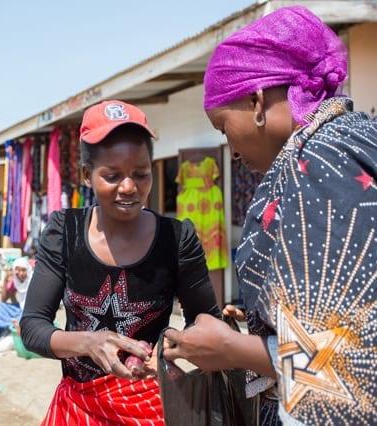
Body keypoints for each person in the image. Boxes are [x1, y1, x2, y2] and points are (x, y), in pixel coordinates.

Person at [161, 6, 377, 425]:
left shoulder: (315, 161)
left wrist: (231, 350)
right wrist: (267, 314)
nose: (234, 152)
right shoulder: (354, 138)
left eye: (224, 129)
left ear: (257, 101)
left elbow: (352, 359)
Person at [20, 100, 220, 424]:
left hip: (152, 408)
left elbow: (207, 320)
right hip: (79, 409)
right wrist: (88, 342)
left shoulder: (177, 238)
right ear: (87, 175)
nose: (129, 188)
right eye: (112, 176)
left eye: (140, 174)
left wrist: (170, 348)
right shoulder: (64, 232)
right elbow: (32, 328)